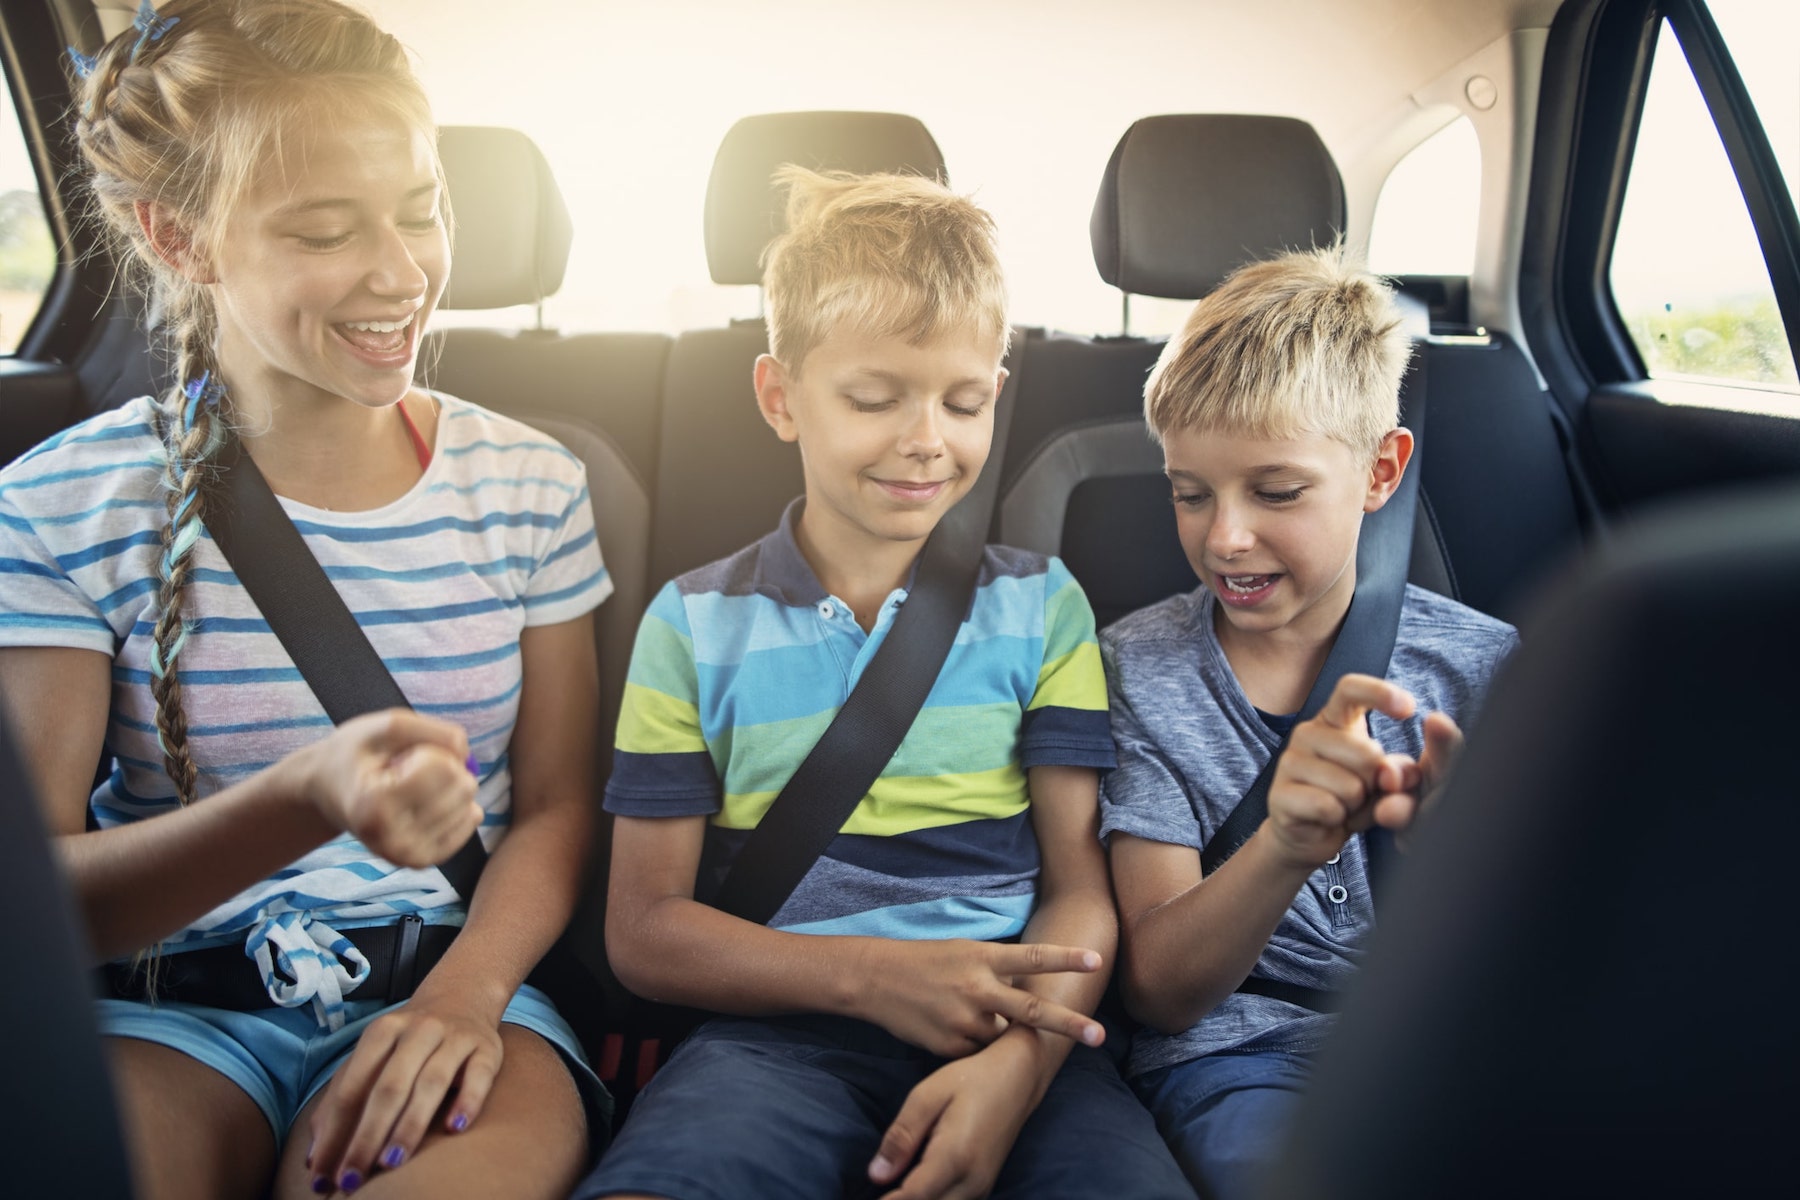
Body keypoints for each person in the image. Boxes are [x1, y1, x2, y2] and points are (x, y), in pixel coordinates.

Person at [0, 3, 607, 1197]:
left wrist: (466, 999)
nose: (402, 271)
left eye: (424, 209)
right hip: (162, 1013)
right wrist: (301, 801)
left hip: (454, 979)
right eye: (328, 231)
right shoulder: (60, 504)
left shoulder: (530, 484)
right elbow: (37, 900)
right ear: (183, 240)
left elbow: (555, 807)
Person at [576, 167, 1193, 1200]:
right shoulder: (692, 624)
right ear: (782, 398)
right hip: (775, 1041)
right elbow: (642, 932)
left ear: (996, 395)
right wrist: (871, 978)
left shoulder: (1043, 607)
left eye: (961, 401)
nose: (925, 440)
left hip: (1014, 1032)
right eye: (874, 398)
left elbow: (1081, 894)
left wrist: (1017, 1069)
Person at [1098, 245, 1519, 1200]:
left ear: (1380, 471)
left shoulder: (1485, 666)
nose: (1224, 537)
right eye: (1189, 492)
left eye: (1276, 492)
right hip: (1240, 1054)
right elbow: (1161, 990)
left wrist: (1473, 853)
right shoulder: (1138, 672)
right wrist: (1284, 843)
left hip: (1458, 1039)